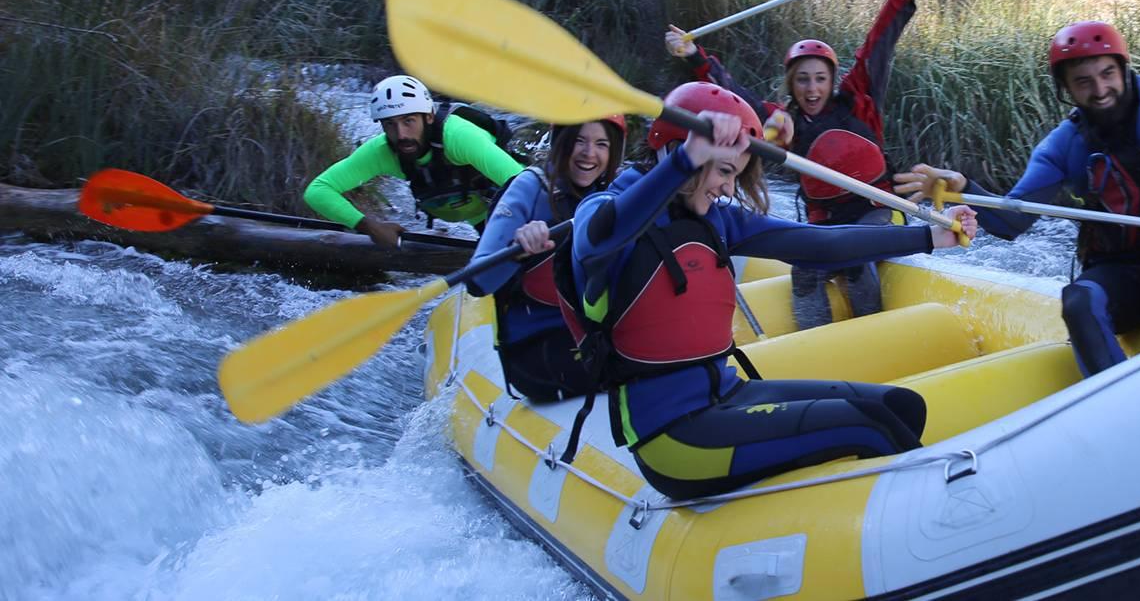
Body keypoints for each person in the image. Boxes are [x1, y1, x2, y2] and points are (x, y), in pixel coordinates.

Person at [559, 82, 977, 500]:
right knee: (867, 425)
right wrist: (687, 160)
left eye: (734, 175)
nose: (727, 188)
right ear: (678, 151)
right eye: (723, 171)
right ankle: (944, 519)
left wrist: (929, 237)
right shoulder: (601, 210)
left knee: (899, 406)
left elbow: (819, 244)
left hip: (728, 394)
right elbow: (598, 238)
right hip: (672, 439)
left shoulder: (717, 220)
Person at [894, 21, 1140, 377]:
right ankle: (1120, 398)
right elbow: (1012, 222)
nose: (1100, 90)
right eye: (1083, 82)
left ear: (1123, 68)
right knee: (1079, 298)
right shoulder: (1065, 144)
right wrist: (962, 187)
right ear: (1066, 88)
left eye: (1107, 74)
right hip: (1118, 275)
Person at [665, 0, 923, 330]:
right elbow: (734, 95)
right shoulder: (782, 122)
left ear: (832, 80)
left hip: (879, 210)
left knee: (855, 257)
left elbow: (881, 40)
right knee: (804, 270)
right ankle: (814, 339)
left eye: (820, 78)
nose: (812, 88)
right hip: (826, 220)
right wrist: (694, 56)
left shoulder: (858, 99)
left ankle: (874, 332)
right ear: (792, 82)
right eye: (803, 80)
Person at [462, 116, 627, 402]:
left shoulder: (613, 192)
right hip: (536, 347)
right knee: (638, 367)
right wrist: (519, 248)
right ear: (560, 142)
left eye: (602, 144)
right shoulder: (530, 188)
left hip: (589, 337)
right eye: (579, 141)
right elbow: (478, 282)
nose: (590, 153)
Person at [304, 75, 525, 246]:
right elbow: (318, 190)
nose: (401, 135)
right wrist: (369, 226)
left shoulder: (458, 137)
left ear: (428, 116)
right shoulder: (382, 151)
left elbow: (524, 186)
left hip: (509, 208)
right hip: (475, 213)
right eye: (390, 124)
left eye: (408, 121)